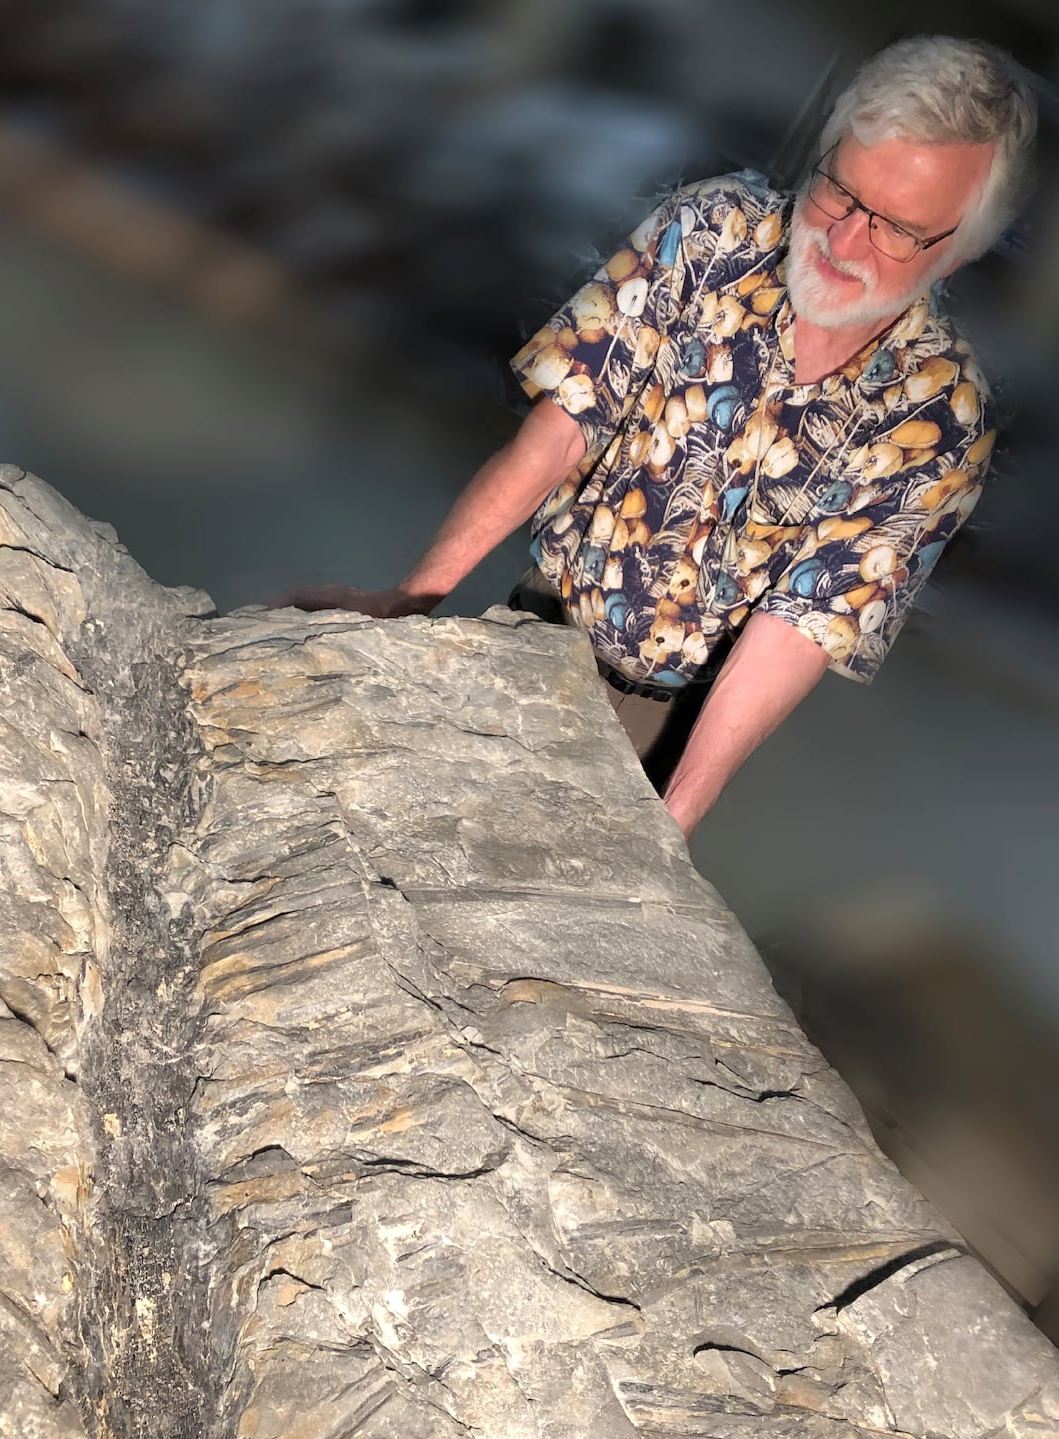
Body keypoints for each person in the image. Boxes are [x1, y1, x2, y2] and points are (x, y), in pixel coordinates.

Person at [272, 36, 1036, 838]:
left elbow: (796, 631)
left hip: (661, 731)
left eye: (897, 231)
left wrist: (674, 819)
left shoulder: (941, 423)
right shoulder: (707, 233)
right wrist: (410, 601)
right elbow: (562, 429)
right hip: (524, 634)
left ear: (955, 253)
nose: (845, 244)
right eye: (839, 193)